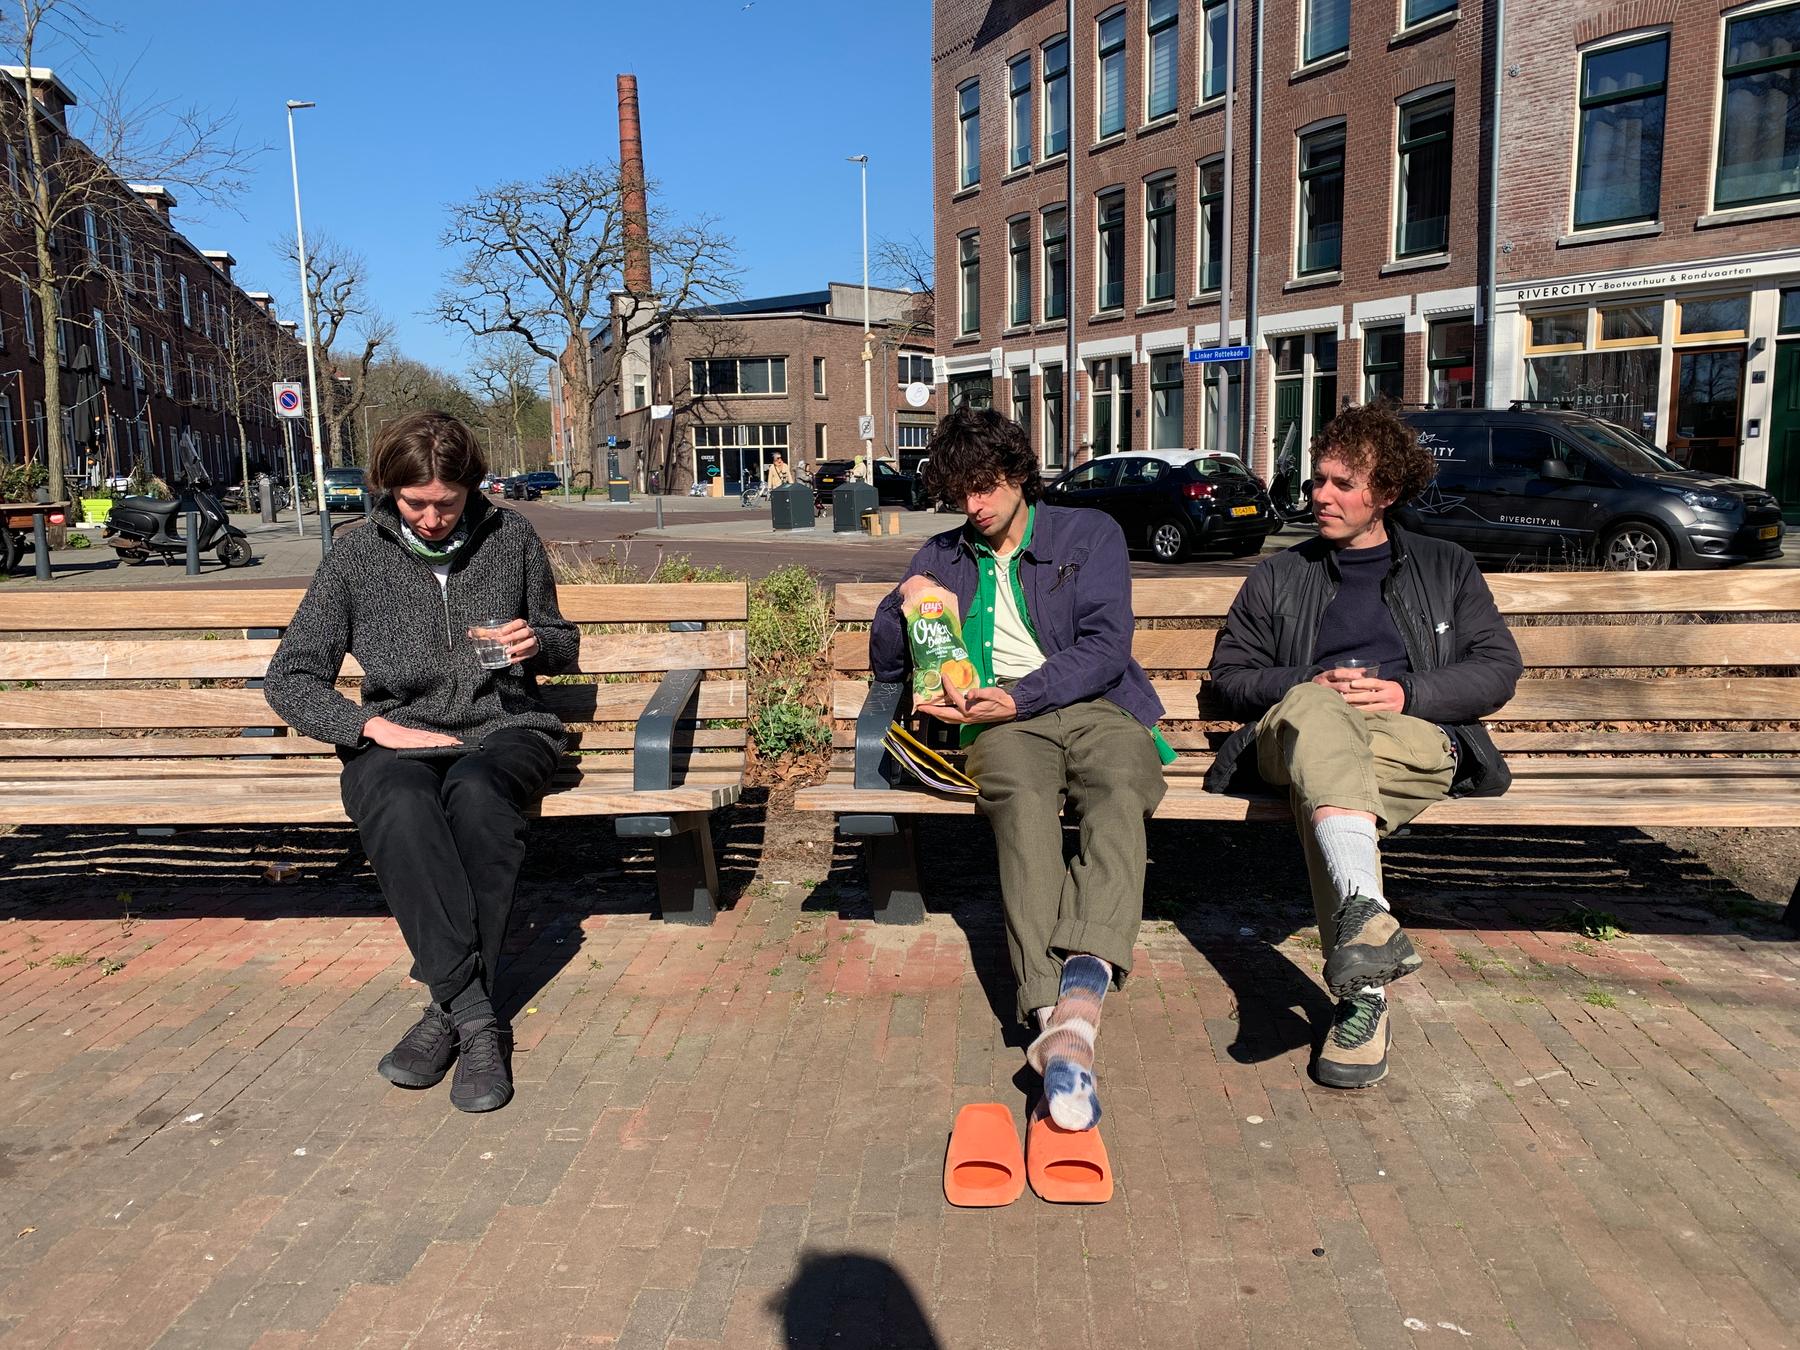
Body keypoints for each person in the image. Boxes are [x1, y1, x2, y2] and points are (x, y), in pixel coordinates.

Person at [265, 410, 580, 1113]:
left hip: (505, 728)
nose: (433, 517)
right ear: (389, 490)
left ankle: (445, 1014)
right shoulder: (353, 555)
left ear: (472, 487)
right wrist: (369, 725)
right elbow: (290, 677)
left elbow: (563, 642)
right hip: (396, 733)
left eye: (448, 501)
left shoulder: (512, 538)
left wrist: (538, 645)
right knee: (399, 802)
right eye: (416, 503)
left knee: (478, 797)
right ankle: (475, 1021)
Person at [870, 408, 1172, 1133]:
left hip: (1092, 704)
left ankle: (1084, 987)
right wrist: (902, 601)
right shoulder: (941, 557)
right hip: (1001, 727)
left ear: (1015, 472)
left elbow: (1105, 646)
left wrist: (1022, 693)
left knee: (1120, 786)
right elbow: (889, 662)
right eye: (958, 495)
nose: (972, 507)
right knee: (1021, 804)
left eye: (983, 488)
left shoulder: (1086, 534)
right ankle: (1054, 1015)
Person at [1206, 402, 1522, 1088]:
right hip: (1292, 733)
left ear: (1387, 493)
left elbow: (1498, 669)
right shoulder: (1279, 575)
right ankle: (1365, 995)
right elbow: (1228, 679)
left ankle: (1363, 951)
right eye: (1319, 479)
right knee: (1319, 716)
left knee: (1330, 786)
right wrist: (1306, 681)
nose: (1321, 494)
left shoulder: (1446, 566)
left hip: (1406, 738)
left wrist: (1411, 694)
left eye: (1343, 483)